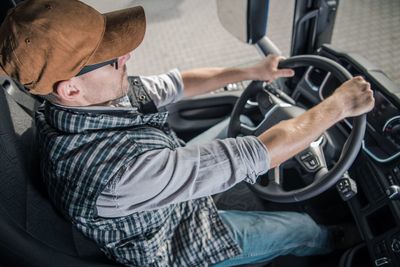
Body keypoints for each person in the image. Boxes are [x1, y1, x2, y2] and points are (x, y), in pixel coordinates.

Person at [0, 0, 374, 266]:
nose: (126, 57)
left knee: (224, 129)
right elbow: (259, 153)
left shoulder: (78, 100)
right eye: (113, 58)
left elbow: (175, 83)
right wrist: (339, 106)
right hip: (174, 241)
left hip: (159, 192)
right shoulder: (118, 174)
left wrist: (251, 72)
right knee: (299, 227)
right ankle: (334, 241)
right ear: (71, 89)